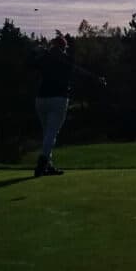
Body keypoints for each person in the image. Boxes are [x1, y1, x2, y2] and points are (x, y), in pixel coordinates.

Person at [30, 34, 104, 176]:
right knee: (51, 133)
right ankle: (43, 161)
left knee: (47, 133)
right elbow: (79, 71)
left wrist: (35, 51)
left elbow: (30, 64)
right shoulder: (65, 59)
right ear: (63, 48)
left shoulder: (44, 58)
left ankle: (48, 165)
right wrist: (96, 79)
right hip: (58, 99)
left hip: (41, 99)